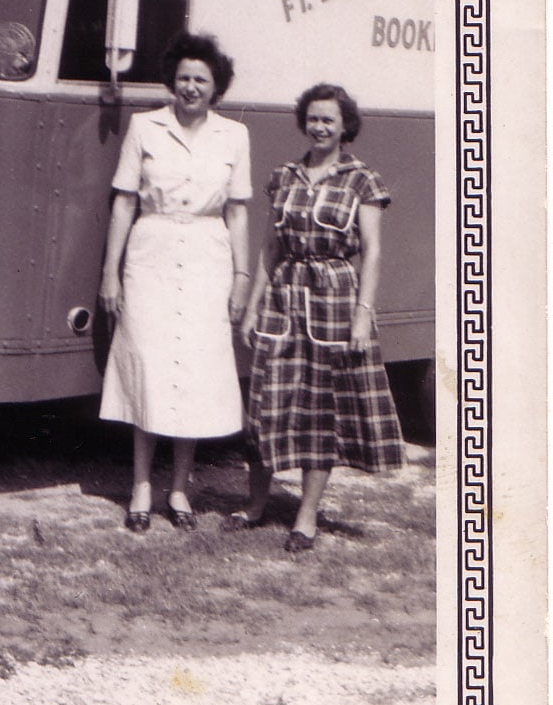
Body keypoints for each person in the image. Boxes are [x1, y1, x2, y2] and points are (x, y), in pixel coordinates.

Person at [233, 83, 405, 552]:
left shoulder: (361, 180)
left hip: (334, 301)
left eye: (329, 119)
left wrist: (362, 314)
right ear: (303, 122)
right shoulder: (284, 176)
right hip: (283, 299)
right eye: (312, 118)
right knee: (265, 404)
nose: (320, 127)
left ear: (345, 125)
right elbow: (270, 246)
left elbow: (371, 253)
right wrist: (252, 307)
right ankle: (255, 505)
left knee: (319, 412)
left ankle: (305, 517)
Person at [99, 32, 251, 532]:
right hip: (152, 254)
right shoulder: (146, 128)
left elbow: (237, 211)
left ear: (216, 87)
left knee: (194, 375)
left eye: (200, 80)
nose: (190, 87)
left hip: (208, 258)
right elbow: (123, 201)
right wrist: (112, 273)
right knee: (151, 367)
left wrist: (240, 277)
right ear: (173, 81)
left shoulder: (233, 136)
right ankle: (142, 487)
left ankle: (180, 490)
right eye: (184, 78)